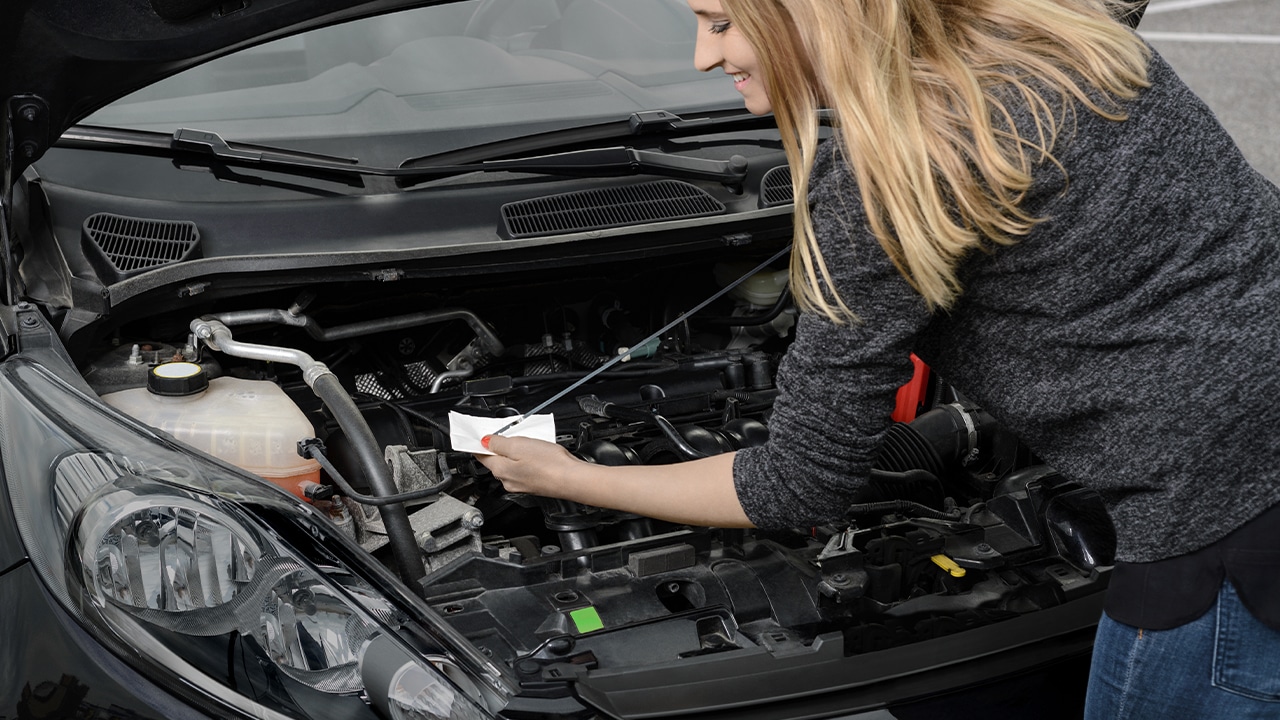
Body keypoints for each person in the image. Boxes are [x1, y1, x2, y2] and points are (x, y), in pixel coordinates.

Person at [476, 0, 1280, 717]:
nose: (702, 57)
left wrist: (570, 478)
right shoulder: (1072, 38)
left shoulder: (889, 172)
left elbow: (797, 485)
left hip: (1223, 522)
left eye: (721, 22)